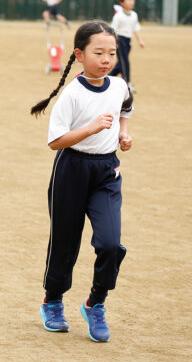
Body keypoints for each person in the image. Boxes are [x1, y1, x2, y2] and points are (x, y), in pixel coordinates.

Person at [30, 20, 134, 343]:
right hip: (71, 169)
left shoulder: (118, 86)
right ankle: (53, 301)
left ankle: (96, 303)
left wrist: (123, 132)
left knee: (110, 244)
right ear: (79, 54)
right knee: (64, 243)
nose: (107, 59)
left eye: (112, 53)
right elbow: (55, 141)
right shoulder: (71, 95)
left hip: (106, 172)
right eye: (98, 52)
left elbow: (126, 106)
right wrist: (91, 128)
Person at [109, 0, 145, 93]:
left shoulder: (134, 15)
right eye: (128, 0)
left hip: (128, 41)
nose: (131, 2)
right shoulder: (118, 16)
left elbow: (135, 29)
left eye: (132, 0)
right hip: (119, 40)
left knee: (121, 63)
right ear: (122, 3)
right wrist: (114, 43)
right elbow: (113, 30)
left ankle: (108, 78)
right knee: (125, 62)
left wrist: (140, 41)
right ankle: (127, 84)